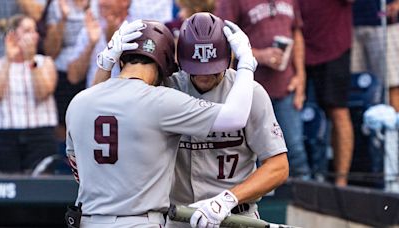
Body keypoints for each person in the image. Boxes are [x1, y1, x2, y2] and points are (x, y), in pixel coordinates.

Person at [66, 18, 257, 228]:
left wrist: (104, 63)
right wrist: (246, 64)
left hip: (87, 221)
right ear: (165, 64)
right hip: (140, 222)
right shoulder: (161, 100)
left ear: (120, 60)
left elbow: (78, 170)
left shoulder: (78, 103)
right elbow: (235, 117)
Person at [164, 13, 289, 228]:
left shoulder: (251, 92)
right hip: (179, 216)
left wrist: (228, 199)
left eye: (212, 68)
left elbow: (278, 166)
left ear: (228, 58)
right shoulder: (167, 89)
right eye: (196, 69)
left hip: (236, 216)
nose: (204, 76)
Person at [214, 0, 310, 178]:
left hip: (285, 86)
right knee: (256, 158)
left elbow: (296, 33)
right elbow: (222, 44)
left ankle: (307, 204)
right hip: (249, 91)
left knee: (296, 152)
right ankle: (265, 205)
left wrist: (300, 76)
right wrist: (259, 55)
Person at [298, 0, 354, 186]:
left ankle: (341, 182)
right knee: (292, 109)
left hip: (333, 48)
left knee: (338, 111)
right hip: (298, 49)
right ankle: (297, 178)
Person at [0, 14, 58, 174]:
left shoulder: (44, 62)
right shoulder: (1, 65)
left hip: (39, 135)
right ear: (12, 35)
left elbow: (43, 92)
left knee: (42, 187)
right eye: (27, 30)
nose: (34, 35)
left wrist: (30, 60)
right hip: (6, 136)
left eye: (35, 30)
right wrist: (8, 60)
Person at [44, 0, 89, 151]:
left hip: (91, 66)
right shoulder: (57, 5)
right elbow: (50, 51)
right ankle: (66, 159)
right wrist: (63, 18)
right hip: (63, 69)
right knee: (64, 122)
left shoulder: (98, 3)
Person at [67, 0, 131, 87]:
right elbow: (73, 77)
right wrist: (91, 44)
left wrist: (111, 40)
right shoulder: (92, 28)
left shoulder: (136, 28)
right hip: (93, 97)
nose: (101, 2)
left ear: (125, 2)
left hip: (126, 97)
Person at [351, 0, 399, 111]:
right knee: (356, 88)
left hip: (383, 23)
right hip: (349, 24)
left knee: (391, 85)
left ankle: (394, 126)